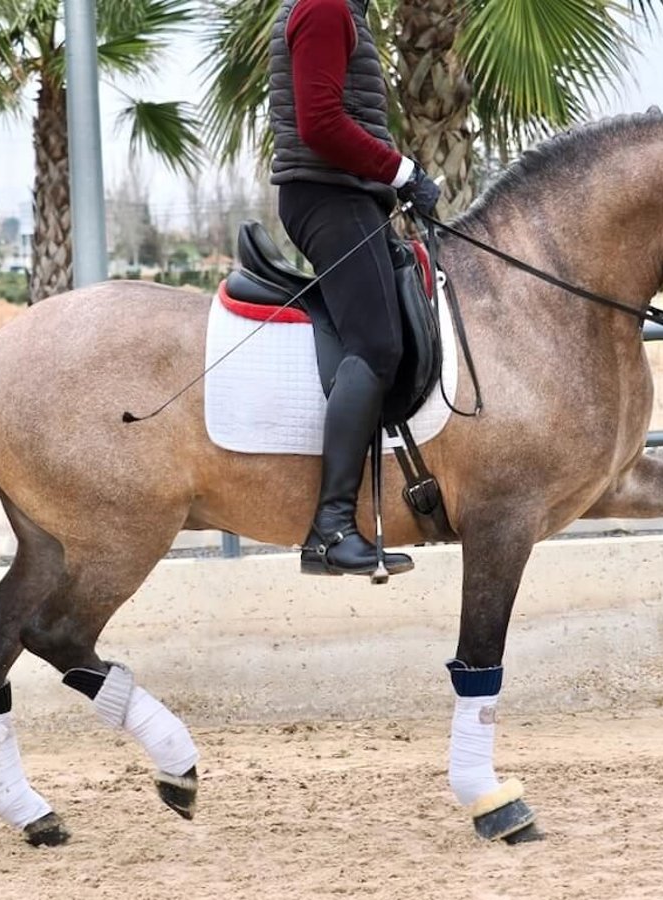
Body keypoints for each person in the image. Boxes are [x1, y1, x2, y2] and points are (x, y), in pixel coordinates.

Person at [268, 0, 440, 577]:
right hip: (328, 197)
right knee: (376, 343)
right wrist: (402, 171)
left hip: (347, 197)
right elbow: (319, 121)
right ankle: (333, 528)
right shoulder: (325, 6)